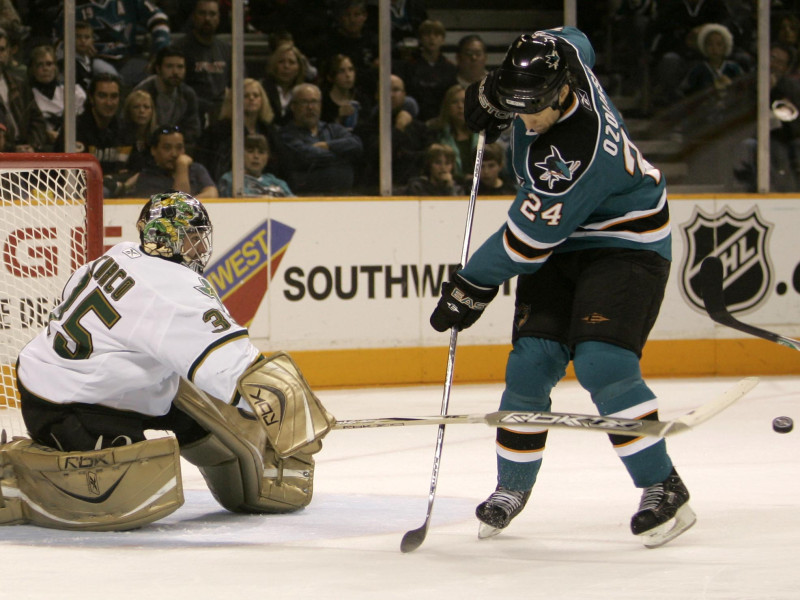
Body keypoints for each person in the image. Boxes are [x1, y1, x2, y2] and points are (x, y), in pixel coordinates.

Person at [429, 28, 694, 548]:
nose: (525, 120)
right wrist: (488, 94)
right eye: (516, 106)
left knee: (603, 363)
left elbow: (525, 245)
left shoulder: (576, 153)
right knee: (530, 362)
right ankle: (511, 488)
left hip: (626, 243)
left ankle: (663, 484)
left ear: (560, 94)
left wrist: (469, 287)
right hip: (564, 239)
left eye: (533, 111)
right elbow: (573, 37)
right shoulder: (566, 60)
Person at [3, 191, 334, 531]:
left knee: (222, 430)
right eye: (191, 237)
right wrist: (294, 415)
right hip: (70, 405)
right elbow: (235, 368)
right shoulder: (173, 288)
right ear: (166, 238)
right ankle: (13, 474)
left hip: (80, 383)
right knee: (131, 498)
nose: (199, 248)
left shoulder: (120, 254)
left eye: (199, 237)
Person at [55, 72, 134, 197]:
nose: (109, 103)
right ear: (91, 98)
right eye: (102, 96)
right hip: (77, 200)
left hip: (119, 196)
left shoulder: (126, 130)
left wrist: (112, 181)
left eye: (114, 96)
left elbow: (136, 172)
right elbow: (72, 176)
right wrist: (113, 181)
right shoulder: (74, 130)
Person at [278, 82, 363, 195]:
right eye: (304, 102)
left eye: (314, 102)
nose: (310, 107)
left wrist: (328, 146)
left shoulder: (332, 129)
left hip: (343, 198)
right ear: (293, 106)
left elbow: (356, 145)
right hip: (305, 199)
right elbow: (307, 156)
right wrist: (343, 156)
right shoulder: (287, 135)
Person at [355, 73, 431, 192]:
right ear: (376, 95)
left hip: (414, 189)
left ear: (404, 95)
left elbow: (427, 158)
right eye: (386, 90)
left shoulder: (419, 128)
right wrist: (398, 129)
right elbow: (376, 156)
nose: (391, 95)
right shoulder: (365, 128)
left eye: (396, 90)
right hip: (376, 190)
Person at [199, 77, 284, 183]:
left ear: (262, 100)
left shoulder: (269, 131)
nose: (252, 99)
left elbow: (280, 165)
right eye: (246, 96)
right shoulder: (217, 131)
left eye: (256, 95)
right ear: (234, 100)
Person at [175, 0, 232, 130]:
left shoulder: (226, 49)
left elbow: (238, 84)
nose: (207, 18)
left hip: (222, 114)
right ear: (194, 17)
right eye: (202, 13)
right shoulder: (180, 48)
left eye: (212, 14)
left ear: (219, 18)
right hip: (191, 113)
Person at [133, 45, 202, 152]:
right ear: (158, 68)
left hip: (177, 150)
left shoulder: (188, 94)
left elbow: (192, 131)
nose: (175, 72)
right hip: (148, 150)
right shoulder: (143, 92)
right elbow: (135, 130)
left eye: (180, 67)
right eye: (169, 66)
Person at [393, 18, 458, 123]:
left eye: (436, 35)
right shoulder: (408, 67)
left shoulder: (450, 68)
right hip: (415, 120)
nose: (432, 38)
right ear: (421, 38)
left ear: (443, 39)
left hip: (442, 121)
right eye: (427, 34)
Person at [28, 45, 87, 152]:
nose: (45, 68)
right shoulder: (26, 95)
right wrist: (45, 135)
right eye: (39, 65)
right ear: (32, 69)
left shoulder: (73, 92)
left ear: (55, 67)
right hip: (41, 148)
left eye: (49, 64)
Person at [133, 125, 218, 198]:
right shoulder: (146, 178)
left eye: (179, 148)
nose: (174, 154)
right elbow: (178, 206)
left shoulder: (196, 169)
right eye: (167, 148)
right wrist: (182, 167)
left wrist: (190, 202)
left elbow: (212, 193)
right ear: (154, 150)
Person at [0, 27, 47, 152]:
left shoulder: (20, 85)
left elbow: (37, 121)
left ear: (9, 52)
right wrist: (13, 150)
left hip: (27, 152)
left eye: (2, 49)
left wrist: (32, 145)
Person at [427, 84, 479, 186]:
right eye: (454, 102)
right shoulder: (436, 133)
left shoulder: (484, 133)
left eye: (464, 102)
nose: (460, 106)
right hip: (447, 185)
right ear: (447, 107)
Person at [218, 133, 293, 197]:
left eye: (261, 152)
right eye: (250, 151)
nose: (256, 156)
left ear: (268, 157)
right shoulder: (230, 180)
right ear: (240, 155)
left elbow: (294, 202)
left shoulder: (276, 182)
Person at [680, 23, 744, 98]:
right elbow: (685, 92)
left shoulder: (734, 68)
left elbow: (743, 88)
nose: (714, 48)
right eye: (710, 44)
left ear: (725, 47)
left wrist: (732, 85)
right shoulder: (698, 70)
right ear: (704, 47)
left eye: (719, 44)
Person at [261, 41, 309, 126]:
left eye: (291, 62)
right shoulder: (262, 89)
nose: (286, 66)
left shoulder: (305, 92)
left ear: (299, 67)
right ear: (274, 65)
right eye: (281, 62)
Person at [69, 20, 120, 95]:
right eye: (78, 37)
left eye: (87, 37)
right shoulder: (66, 63)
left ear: (92, 40)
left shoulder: (93, 62)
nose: (82, 40)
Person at [320, 53, 368, 131]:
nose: (348, 75)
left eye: (351, 69)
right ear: (330, 77)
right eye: (341, 71)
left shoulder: (361, 98)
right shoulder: (323, 101)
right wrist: (338, 118)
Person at [121, 89, 158, 174]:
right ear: (129, 110)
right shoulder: (120, 136)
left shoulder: (157, 137)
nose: (141, 111)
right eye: (136, 107)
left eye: (146, 107)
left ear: (152, 111)